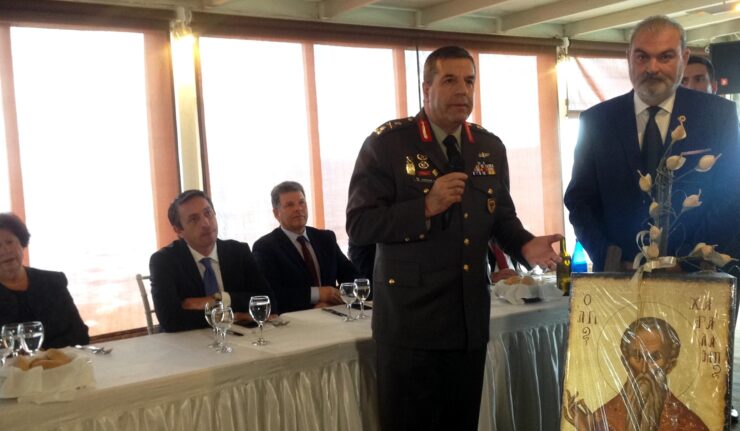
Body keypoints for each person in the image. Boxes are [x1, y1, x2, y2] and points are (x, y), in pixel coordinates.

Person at [346, 45, 562, 430]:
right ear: (426, 88)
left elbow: (501, 217)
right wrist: (425, 207)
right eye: (450, 80)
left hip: (467, 321)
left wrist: (525, 244)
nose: (462, 90)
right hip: (410, 325)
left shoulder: (488, 147)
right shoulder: (389, 144)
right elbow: (359, 224)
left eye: (469, 81)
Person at [564, 15, 740, 272]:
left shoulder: (718, 115)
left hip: (698, 276)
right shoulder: (597, 121)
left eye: (665, 57)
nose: (652, 68)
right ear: (628, 58)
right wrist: (611, 258)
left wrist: (689, 262)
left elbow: (731, 196)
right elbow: (580, 201)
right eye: (642, 57)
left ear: (684, 58)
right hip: (621, 276)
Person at [149, 190, 274, 332]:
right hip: (186, 341)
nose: (206, 223)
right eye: (194, 219)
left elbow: (267, 301)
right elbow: (170, 319)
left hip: (240, 338)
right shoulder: (164, 261)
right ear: (179, 230)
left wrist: (218, 298)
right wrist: (234, 316)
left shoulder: (238, 252)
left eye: (208, 213)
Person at [564, 317, 708, 430]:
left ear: (670, 365)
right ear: (625, 362)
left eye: (654, 357)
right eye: (637, 356)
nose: (644, 369)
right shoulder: (603, 418)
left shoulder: (688, 424)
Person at [252, 181, 358, 313]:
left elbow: (352, 277)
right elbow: (273, 294)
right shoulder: (266, 247)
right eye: (290, 205)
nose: (298, 208)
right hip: (296, 319)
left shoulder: (325, 238)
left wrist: (334, 297)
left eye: (302, 202)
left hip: (334, 313)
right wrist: (318, 294)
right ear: (276, 213)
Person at [0, 212, 89, 348]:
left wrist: (44, 354)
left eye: (9, 242)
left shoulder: (53, 282)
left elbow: (80, 335)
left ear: (22, 243)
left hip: (61, 360)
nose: (5, 250)